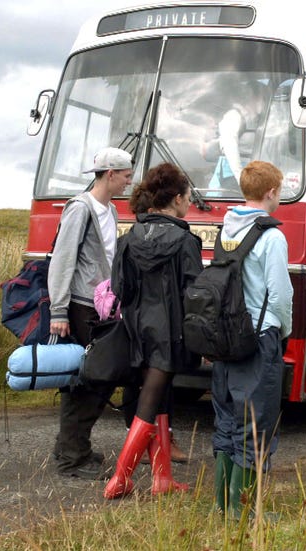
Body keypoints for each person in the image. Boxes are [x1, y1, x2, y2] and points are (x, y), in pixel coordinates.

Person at [103, 163, 203, 499]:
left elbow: (120, 287)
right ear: (176, 198)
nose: (189, 204)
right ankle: (121, 476)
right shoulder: (185, 241)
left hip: (137, 327)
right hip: (170, 330)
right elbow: (194, 293)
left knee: (157, 396)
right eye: (188, 198)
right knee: (151, 398)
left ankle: (162, 479)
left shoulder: (129, 239)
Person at [211, 161, 293, 517]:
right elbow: (279, 294)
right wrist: (284, 327)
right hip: (260, 337)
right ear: (271, 192)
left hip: (226, 337)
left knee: (228, 417)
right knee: (255, 422)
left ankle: (222, 504)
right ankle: (243, 510)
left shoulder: (225, 229)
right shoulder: (271, 236)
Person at [48, 147, 132, 480]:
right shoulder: (80, 208)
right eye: (126, 176)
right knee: (88, 380)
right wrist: (59, 311)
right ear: (110, 174)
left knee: (95, 377)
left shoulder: (109, 210)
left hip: (101, 307)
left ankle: (73, 447)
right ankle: (71, 458)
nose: (129, 182)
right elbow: (62, 259)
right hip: (80, 306)